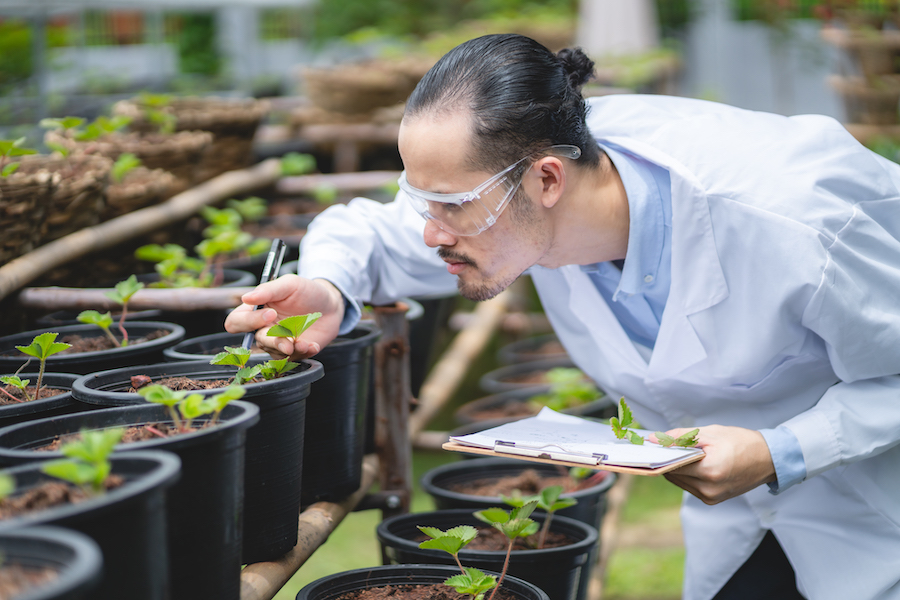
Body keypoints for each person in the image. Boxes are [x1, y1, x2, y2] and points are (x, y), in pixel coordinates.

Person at [225, 34, 900, 600]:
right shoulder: (522, 181)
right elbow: (368, 232)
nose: (429, 233)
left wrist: (783, 449)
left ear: (548, 180)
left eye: (451, 204)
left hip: (874, 506)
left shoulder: (797, 218)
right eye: (420, 201)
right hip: (741, 520)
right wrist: (329, 285)